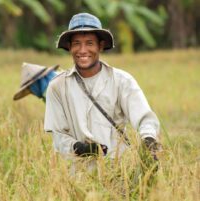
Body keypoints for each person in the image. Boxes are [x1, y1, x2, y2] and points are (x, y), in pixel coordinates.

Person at [44, 13, 160, 162]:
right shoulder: (57, 86)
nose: (83, 50)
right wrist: (79, 148)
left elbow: (145, 118)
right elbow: (58, 135)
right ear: (69, 47)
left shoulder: (122, 81)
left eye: (90, 43)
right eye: (77, 43)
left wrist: (148, 139)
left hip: (119, 169)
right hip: (77, 175)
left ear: (101, 46)